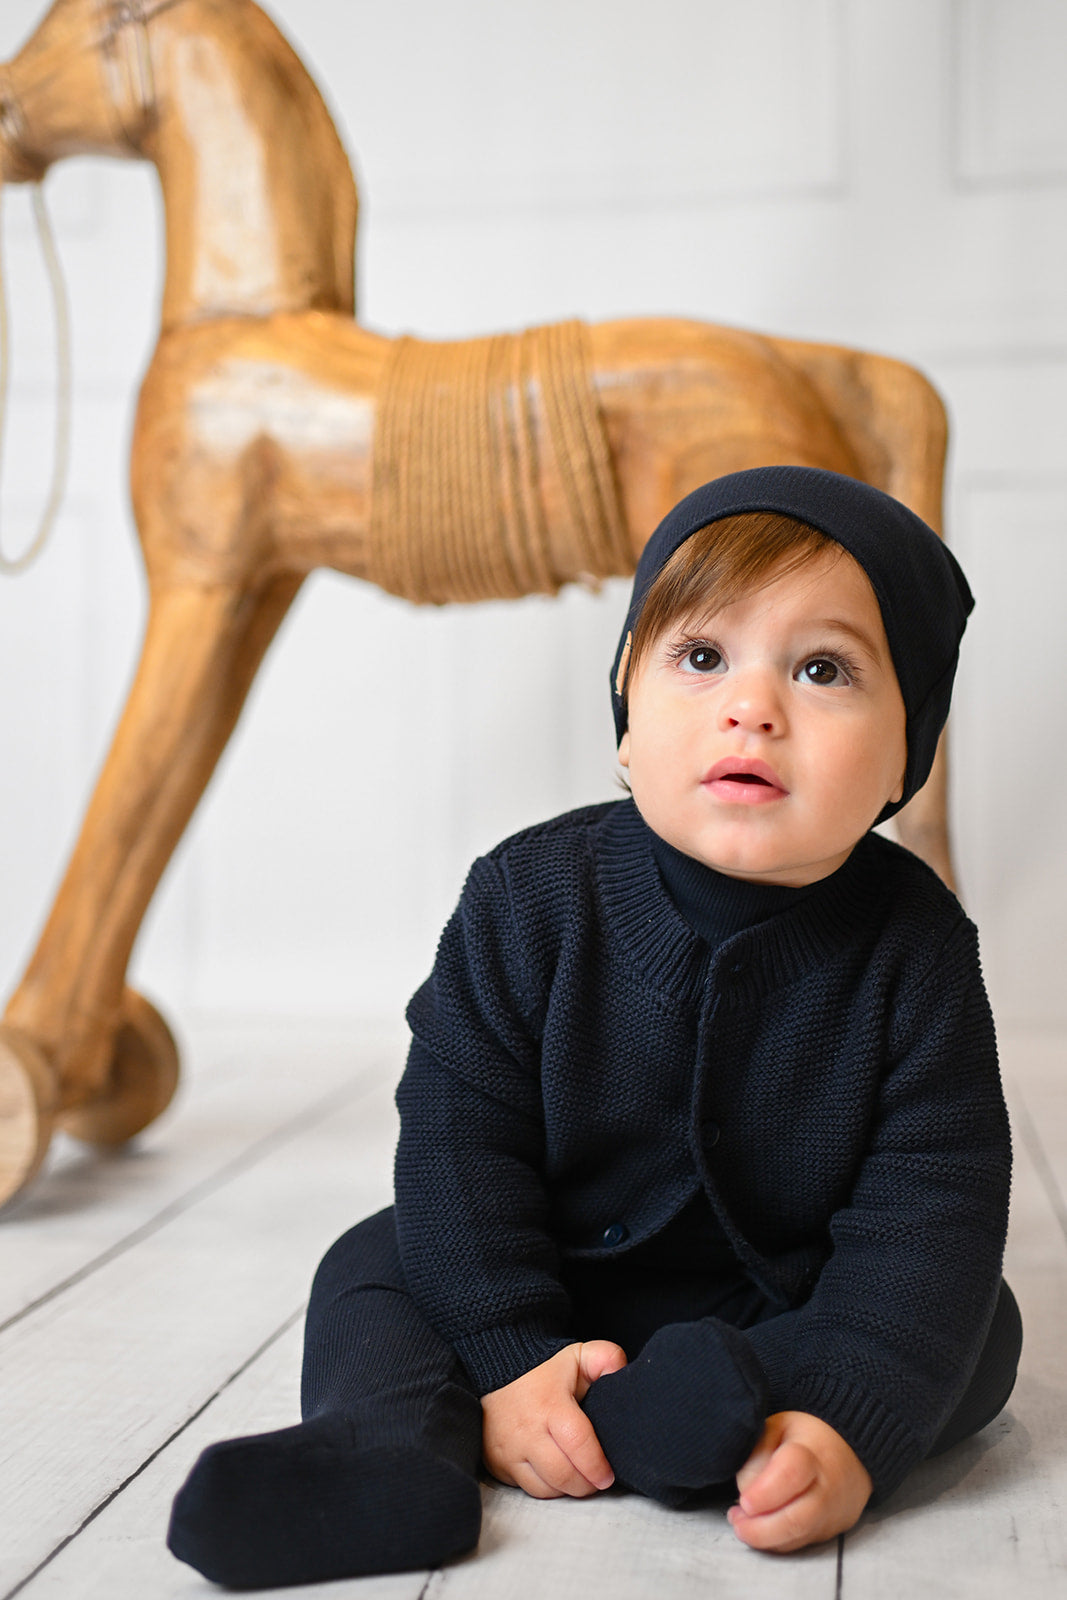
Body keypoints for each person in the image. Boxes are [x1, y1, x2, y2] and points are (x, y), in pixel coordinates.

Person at [168, 465, 1021, 1590]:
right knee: (376, 1260)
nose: (750, 706)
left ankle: (734, 1418)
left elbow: (932, 1195)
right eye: (700, 656)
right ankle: (390, 1449)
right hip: (544, 1262)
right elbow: (458, 1143)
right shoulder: (527, 901)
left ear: (904, 754)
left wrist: (851, 1425)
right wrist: (510, 1353)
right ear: (625, 706)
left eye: (822, 669)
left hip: (773, 1297)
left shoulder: (914, 949)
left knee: (970, 1321)